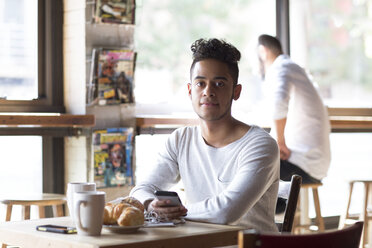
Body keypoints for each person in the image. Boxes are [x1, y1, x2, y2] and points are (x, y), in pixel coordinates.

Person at [130, 38, 280, 232]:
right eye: (200, 83)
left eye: (219, 84)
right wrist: (150, 204)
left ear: (236, 91)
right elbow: (140, 190)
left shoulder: (260, 145)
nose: (208, 92)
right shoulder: (180, 140)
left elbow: (226, 211)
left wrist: (175, 211)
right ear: (190, 90)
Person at [257, 34, 331, 211]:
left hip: (303, 166)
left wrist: (280, 142)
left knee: (251, 169)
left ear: (263, 52)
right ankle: (278, 216)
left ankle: (271, 222)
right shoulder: (295, 69)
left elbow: (278, 103)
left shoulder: (281, 67)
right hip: (314, 165)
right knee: (257, 169)